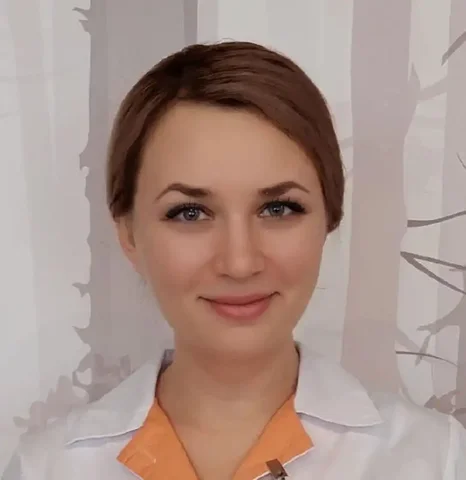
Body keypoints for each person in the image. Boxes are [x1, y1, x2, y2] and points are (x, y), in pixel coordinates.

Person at [3, 41, 466, 480]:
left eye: (278, 209)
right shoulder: (48, 468)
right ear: (128, 233)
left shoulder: (434, 459)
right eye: (190, 212)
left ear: (329, 216)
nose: (240, 262)